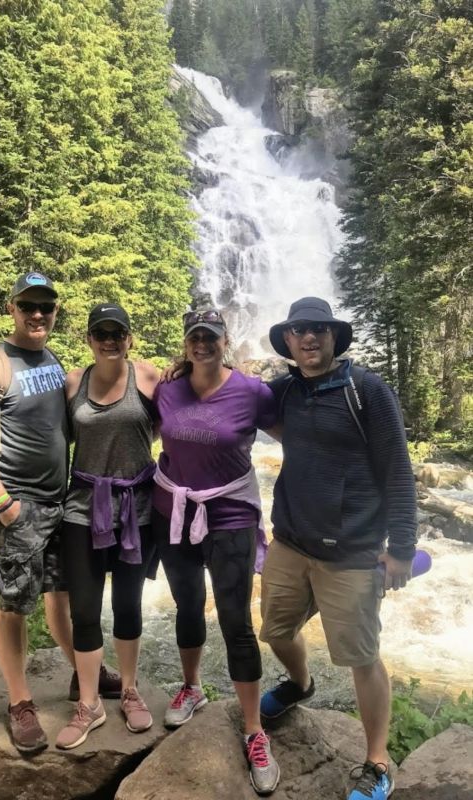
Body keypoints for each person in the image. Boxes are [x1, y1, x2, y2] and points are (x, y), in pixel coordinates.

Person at [0, 273, 120, 755]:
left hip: (60, 501)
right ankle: (20, 703)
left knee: (60, 594)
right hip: (18, 507)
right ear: (12, 307)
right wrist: (5, 507)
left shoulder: (50, 358)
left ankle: (81, 672)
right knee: (14, 605)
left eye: (46, 307)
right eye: (29, 305)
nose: (38, 314)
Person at [260, 297, 417, 800]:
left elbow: (397, 470)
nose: (309, 338)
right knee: (276, 629)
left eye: (319, 330)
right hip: (289, 541)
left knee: (361, 656)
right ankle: (300, 684)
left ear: (333, 338)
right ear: (288, 340)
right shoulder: (283, 391)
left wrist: (403, 548)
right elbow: (229, 397)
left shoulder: (366, 391)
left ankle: (377, 761)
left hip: (351, 551)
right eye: (300, 330)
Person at [153, 309, 281, 796]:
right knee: (187, 604)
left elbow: (296, 435)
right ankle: (193, 687)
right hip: (173, 514)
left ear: (225, 340)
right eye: (194, 337)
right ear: (185, 344)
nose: (202, 344)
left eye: (210, 336)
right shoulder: (167, 387)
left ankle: (253, 730)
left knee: (234, 619)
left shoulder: (251, 391)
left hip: (230, 518)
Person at [55, 303, 160, 749]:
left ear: (129, 338)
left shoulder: (150, 378)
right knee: (83, 609)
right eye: (102, 332)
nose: (110, 339)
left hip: (137, 511)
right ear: (90, 340)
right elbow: (49, 433)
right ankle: (90, 704)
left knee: (128, 605)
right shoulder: (73, 383)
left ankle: (131, 690)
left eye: (118, 332)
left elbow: (179, 414)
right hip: (81, 509)